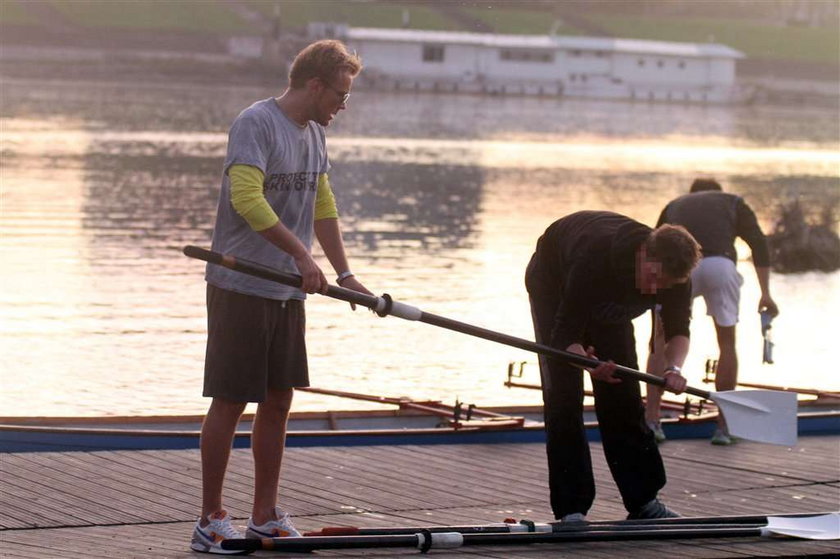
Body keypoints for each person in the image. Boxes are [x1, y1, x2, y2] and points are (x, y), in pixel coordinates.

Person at [191, 40, 372, 554]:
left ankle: (264, 515)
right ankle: (210, 518)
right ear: (314, 85)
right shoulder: (256, 123)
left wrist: (345, 271)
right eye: (340, 94)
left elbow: (322, 201)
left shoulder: (315, 131)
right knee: (230, 400)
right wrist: (300, 256)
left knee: (279, 399)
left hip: (288, 290)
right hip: (242, 285)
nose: (343, 105)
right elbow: (245, 199)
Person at [525, 210, 700, 522]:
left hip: (608, 306)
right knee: (564, 397)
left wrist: (673, 369)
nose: (652, 290)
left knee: (624, 396)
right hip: (554, 281)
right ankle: (572, 509)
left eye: (663, 286)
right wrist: (587, 362)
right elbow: (565, 334)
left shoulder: (676, 278)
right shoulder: (596, 256)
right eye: (652, 278)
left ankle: (644, 500)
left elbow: (678, 332)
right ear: (644, 253)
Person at [645, 178, 779, 445]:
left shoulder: (675, 205)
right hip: (721, 265)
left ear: (692, 192)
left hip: (679, 267)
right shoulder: (734, 202)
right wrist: (765, 293)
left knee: (659, 340)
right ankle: (724, 427)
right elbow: (758, 243)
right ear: (718, 191)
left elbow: (653, 245)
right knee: (727, 343)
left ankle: (652, 420)